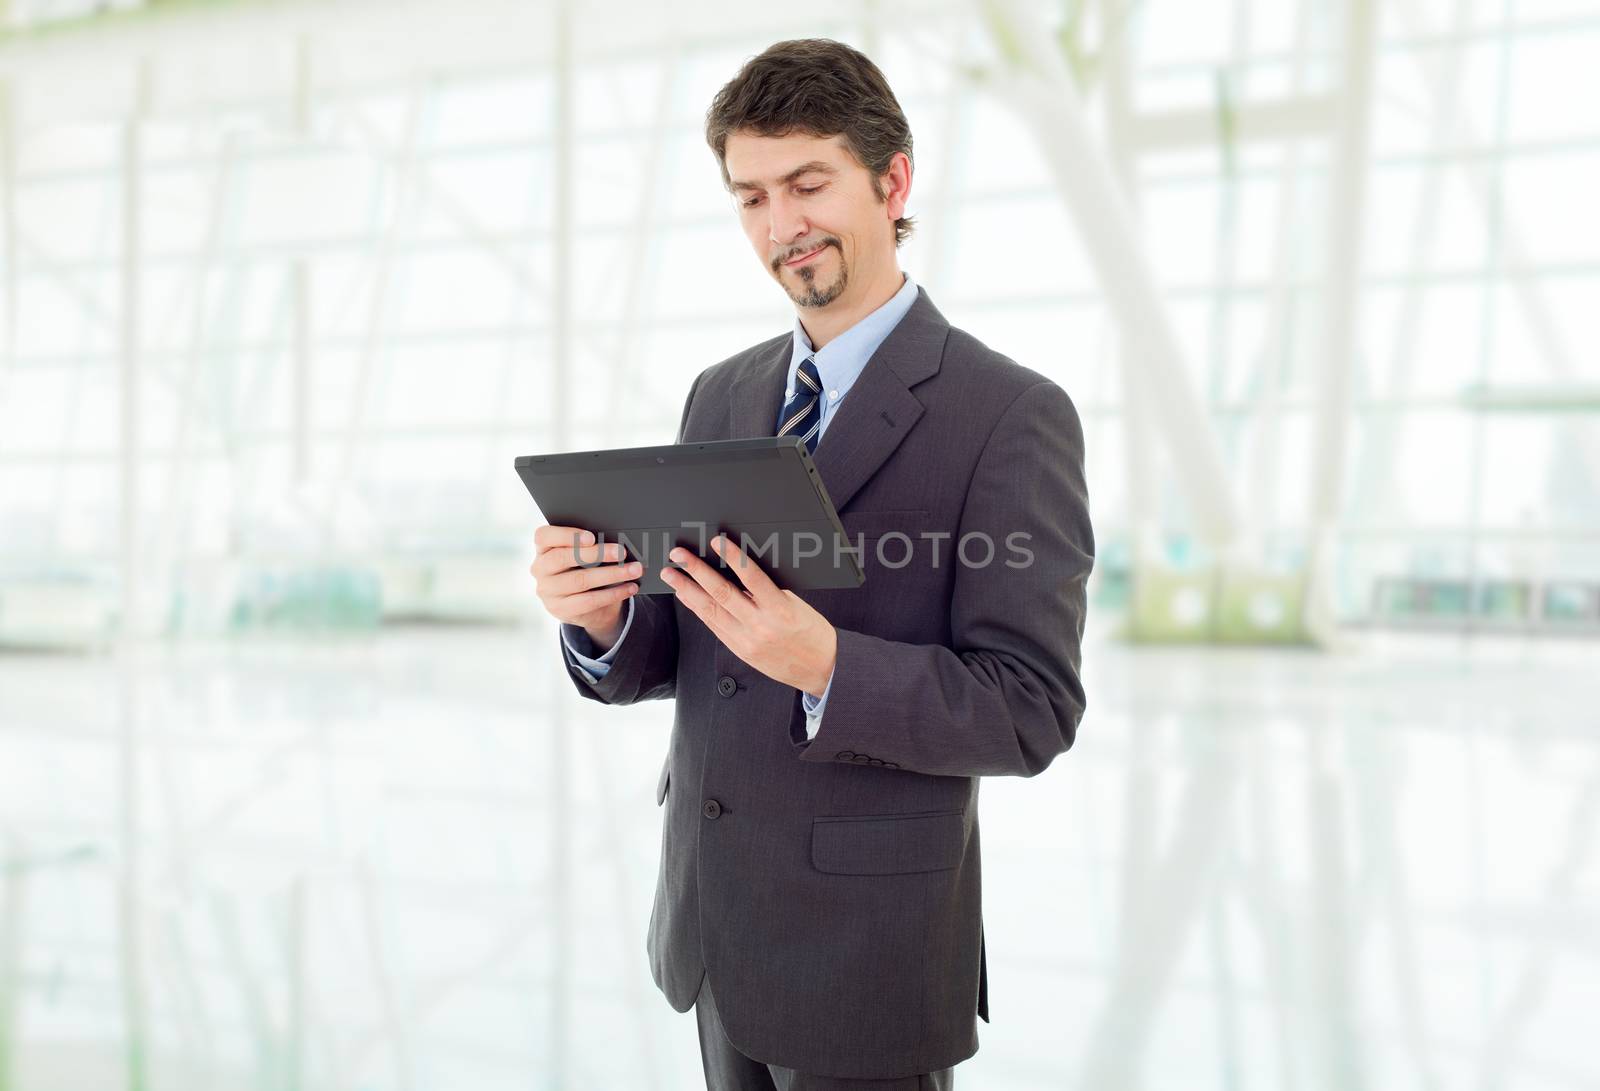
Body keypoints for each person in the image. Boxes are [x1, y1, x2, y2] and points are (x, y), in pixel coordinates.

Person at [530, 37, 1093, 1091]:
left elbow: (1033, 708)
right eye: (750, 197)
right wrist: (599, 619)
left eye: (807, 183)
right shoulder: (720, 395)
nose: (780, 225)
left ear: (893, 180)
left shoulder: (1009, 415)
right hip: (713, 924)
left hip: (866, 953)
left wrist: (830, 661)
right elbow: (694, 642)